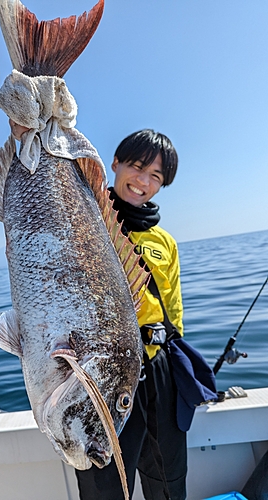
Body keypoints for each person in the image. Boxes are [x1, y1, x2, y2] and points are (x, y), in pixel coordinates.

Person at [75, 129, 187, 500]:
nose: (143, 181)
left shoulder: (164, 241)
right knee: (104, 484)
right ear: (115, 164)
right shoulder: (87, 222)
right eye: (137, 167)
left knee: (168, 478)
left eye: (155, 176)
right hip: (103, 375)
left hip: (158, 370)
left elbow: (174, 310)